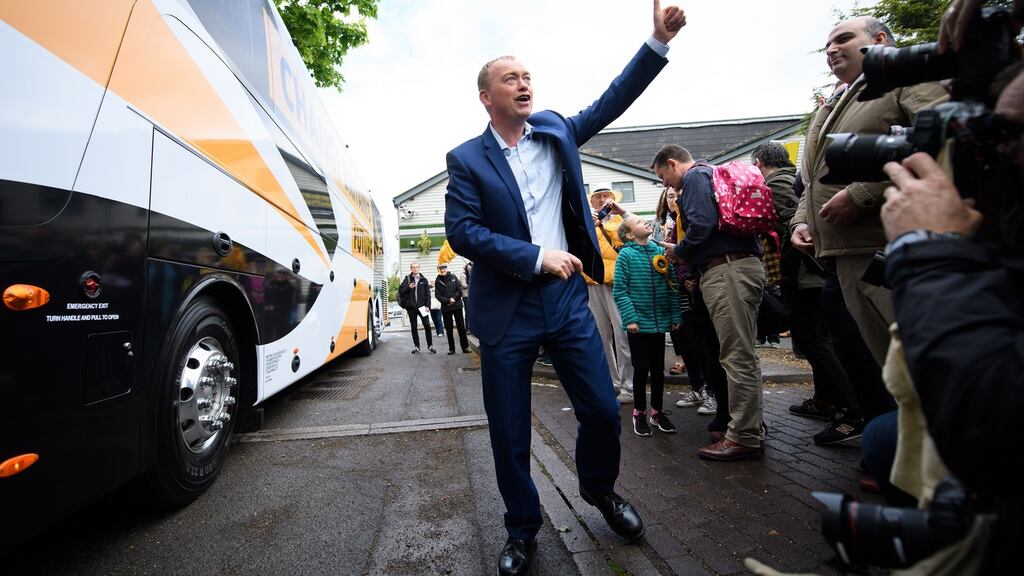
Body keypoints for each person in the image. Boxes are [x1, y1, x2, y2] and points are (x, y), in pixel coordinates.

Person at [443, 3, 686, 574]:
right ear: (486, 96)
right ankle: (521, 529)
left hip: (567, 302)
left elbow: (610, 99)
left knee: (602, 410)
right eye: (511, 78)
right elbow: (463, 231)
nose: (524, 84)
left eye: (527, 77)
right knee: (509, 432)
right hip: (507, 308)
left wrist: (656, 42)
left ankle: (600, 490)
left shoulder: (555, 129)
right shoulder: (466, 160)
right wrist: (533, 257)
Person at [790, 16, 948, 368]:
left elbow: (943, 142)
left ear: (879, 40)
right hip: (844, 255)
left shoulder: (905, 78)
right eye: (827, 45)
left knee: (925, 370)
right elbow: (813, 177)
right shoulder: (841, 100)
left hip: (890, 252)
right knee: (890, 373)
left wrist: (864, 193)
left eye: (843, 39)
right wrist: (802, 221)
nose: (831, 50)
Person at [652, 144, 766, 461]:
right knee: (741, 353)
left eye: (664, 177)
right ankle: (750, 428)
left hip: (726, 270)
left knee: (736, 355)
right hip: (737, 266)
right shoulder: (709, 174)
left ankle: (744, 435)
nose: (667, 186)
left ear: (673, 164)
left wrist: (680, 250)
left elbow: (701, 224)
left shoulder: (694, 179)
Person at [612, 215, 681, 436]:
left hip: (660, 323)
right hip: (639, 325)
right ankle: (639, 412)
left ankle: (657, 412)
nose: (646, 223)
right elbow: (620, 290)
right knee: (641, 369)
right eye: (640, 223)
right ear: (630, 234)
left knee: (658, 371)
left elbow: (672, 285)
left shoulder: (660, 252)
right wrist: (630, 318)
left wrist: (675, 315)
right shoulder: (626, 255)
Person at [655, 186, 714, 415]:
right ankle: (697, 388)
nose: (674, 199)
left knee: (704, 345)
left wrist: (690, 276)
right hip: (676, 293)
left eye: (677, 195)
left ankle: (712, 392)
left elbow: (691, 252)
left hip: (694, 289)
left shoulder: (689, 221)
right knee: (686, 344)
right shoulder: (666, 225)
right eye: (670, 196)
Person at [583, 183, 635, 403]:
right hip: (592, 283)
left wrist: (612, 218)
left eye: (606, 196)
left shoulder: (618, 222)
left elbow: (630, 237)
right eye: (598, 197)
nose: (602, 200)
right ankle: (612, 382)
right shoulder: (586, 222)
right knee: (602, 337)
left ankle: (628, 385)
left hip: (616, 283)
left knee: (622, 335)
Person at [397, 262, 436, 353]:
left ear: (419, 268)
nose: (415, 269)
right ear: (411, 269)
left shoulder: (424, 280)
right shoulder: (407, 279)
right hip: (411, 308)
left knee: (427, 326)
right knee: (414, 327)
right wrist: (408, 287)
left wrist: (428, 306)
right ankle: (417, 347)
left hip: (422, 307)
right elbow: (401, 292)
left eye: (416, 267)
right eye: (413, 267)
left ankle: (430, 346)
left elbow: (428, 295)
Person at [434, 264, 469, 354]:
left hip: (457, 305)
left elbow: (459, 289)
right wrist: (447, 300)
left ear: (447, 268)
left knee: (461, 327)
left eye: (444, 268)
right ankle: (451, 349)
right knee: (449, 329)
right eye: (441, 268)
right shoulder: (437, 281)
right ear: (438, 270)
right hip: (446, 308)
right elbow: (437, 295)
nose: (443, 270)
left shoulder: (453, 277)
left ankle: (465, 347)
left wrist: (454, 298)